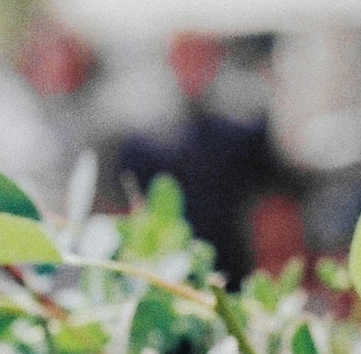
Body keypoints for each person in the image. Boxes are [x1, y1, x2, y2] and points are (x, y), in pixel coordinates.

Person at [112, 32, 299, 284]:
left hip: (231, 259)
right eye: (185, 54)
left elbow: (274, 199)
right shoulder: (142, 136)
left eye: (199, 54)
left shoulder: (241, 128)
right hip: (167, 263)